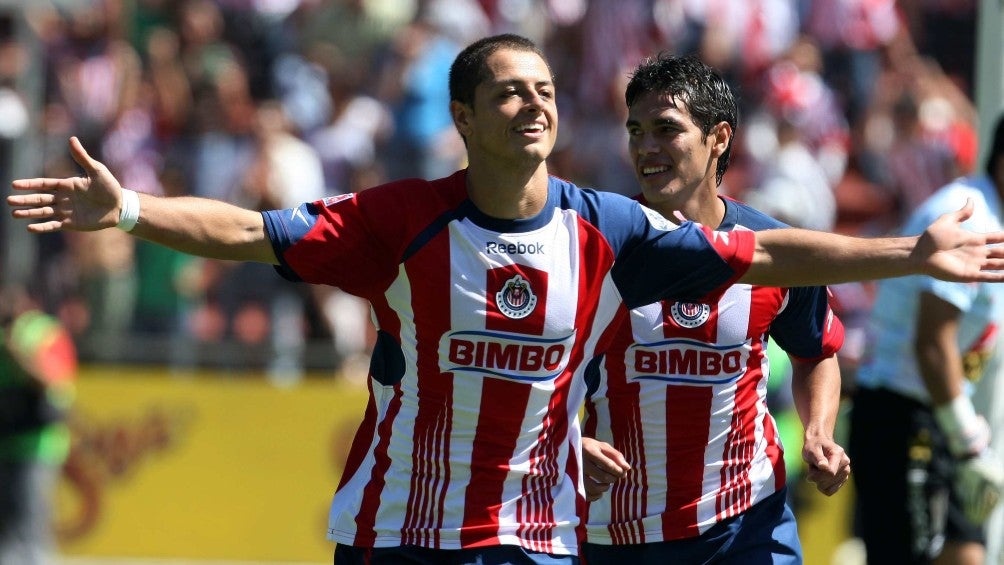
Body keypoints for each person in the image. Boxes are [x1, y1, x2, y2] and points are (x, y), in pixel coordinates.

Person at [8, 34, 1004, 564]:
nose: (535, 103)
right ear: (463, 120)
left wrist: (909, 250)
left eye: (543, 89)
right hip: (398, 532)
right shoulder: (401, 221)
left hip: (547, 538)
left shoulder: (608, 231)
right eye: (509, 92)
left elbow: (768, 256)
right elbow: (243, 229)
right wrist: (132, 208)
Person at [577, 54, 849, 564]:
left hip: (747, 526)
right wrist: (569, 440)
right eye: (636, 131)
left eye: (666, 129)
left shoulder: (775, 250)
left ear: (718, 138)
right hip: (618, 533)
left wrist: (818, 431)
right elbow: (537, 370)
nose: (646, 148)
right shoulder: (595, 247)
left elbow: (816, 351)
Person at [849, 112, 1004, 565]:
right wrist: (970, 442)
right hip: (901, 416)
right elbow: (932, 342)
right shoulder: (972, 218)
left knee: (967, 555)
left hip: (943, 420)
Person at [0, 285, 78, 565]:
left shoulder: (45, 333)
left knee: (30, 529)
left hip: (37, 444)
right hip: (6, 439)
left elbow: (53, 383)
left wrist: (19, 354)